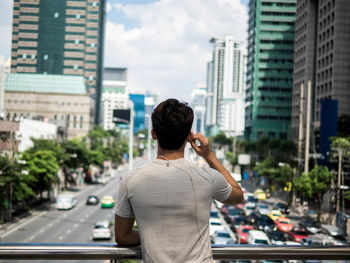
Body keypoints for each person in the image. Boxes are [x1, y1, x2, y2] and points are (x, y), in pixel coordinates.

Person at [115, 98, 243, 263]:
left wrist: (154, 238)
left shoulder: (130, 180)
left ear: (154, 134)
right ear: (189, 137)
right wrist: (208, 155)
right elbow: (238, 195)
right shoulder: (208, 177)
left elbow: (122, 236)